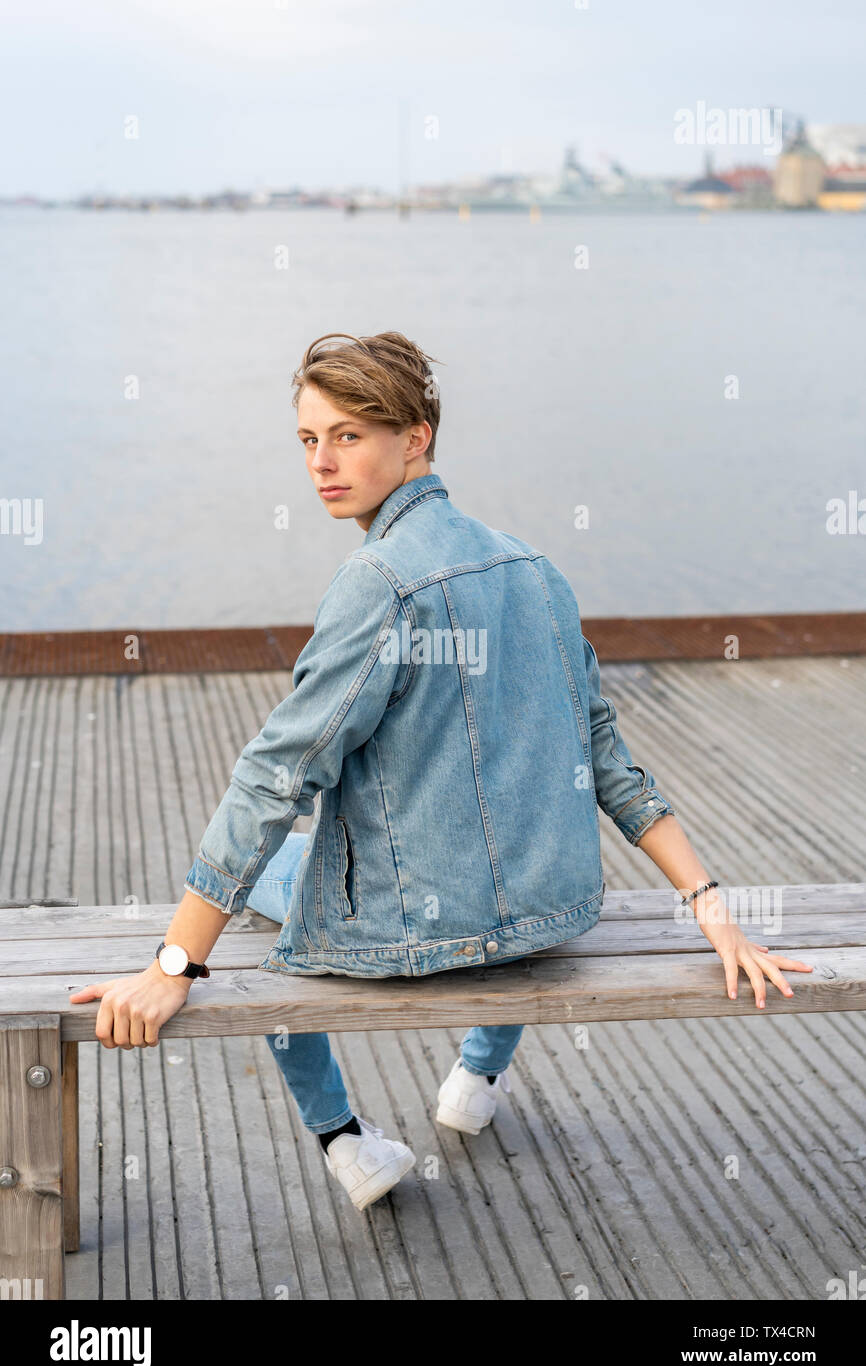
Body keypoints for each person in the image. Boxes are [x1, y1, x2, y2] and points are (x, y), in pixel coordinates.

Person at [70, 330, 812, 1214]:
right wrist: (712, 910)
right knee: (503, 809)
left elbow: (276, 776)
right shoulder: (538, 571)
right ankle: (476, 1079)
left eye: (348, 435)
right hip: (548, 914)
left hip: (415, 931)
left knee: (262, 877)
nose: (321, 464)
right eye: (308, 440)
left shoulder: (378, 580)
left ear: (415, 437)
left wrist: (173, 967)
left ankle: (344, 1139)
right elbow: (607, 758)